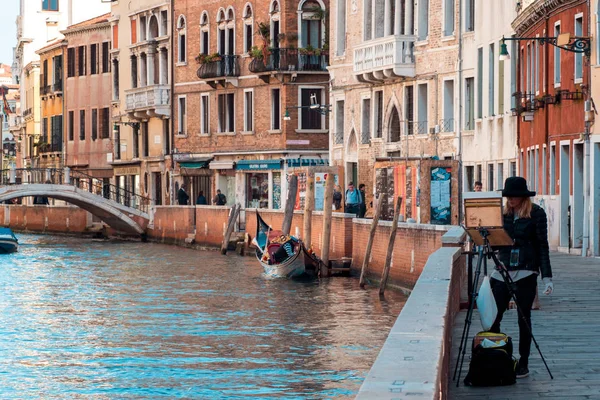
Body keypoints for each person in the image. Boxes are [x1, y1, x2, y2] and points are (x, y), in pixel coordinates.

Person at [490, 176, 553, 379]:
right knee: (493, 315)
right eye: (508, 196)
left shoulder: (537, 214)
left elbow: (542, 245)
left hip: (526, 271)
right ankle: (498, 355)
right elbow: (496, 244)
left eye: (514, 196)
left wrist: (547, 277)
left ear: (523, 197)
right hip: (502, 270)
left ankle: (523, 362)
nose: (510, 199)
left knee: (523, 318)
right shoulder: (503, 214)